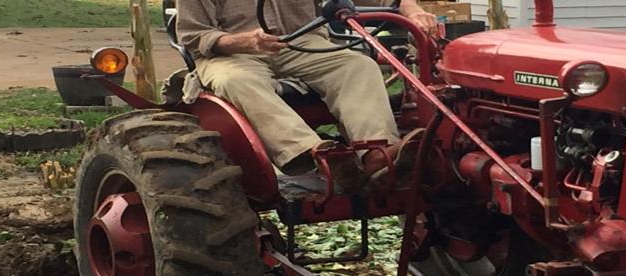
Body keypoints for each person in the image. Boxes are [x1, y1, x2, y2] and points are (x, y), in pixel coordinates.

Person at [176, 0, 439, 188]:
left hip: (300, 43)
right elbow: (193, 34)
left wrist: (409, 6)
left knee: (358, 65)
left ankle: (376, 155)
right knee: (236, 80)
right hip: (230, 53)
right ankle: (314, 156)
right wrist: (241, 41)